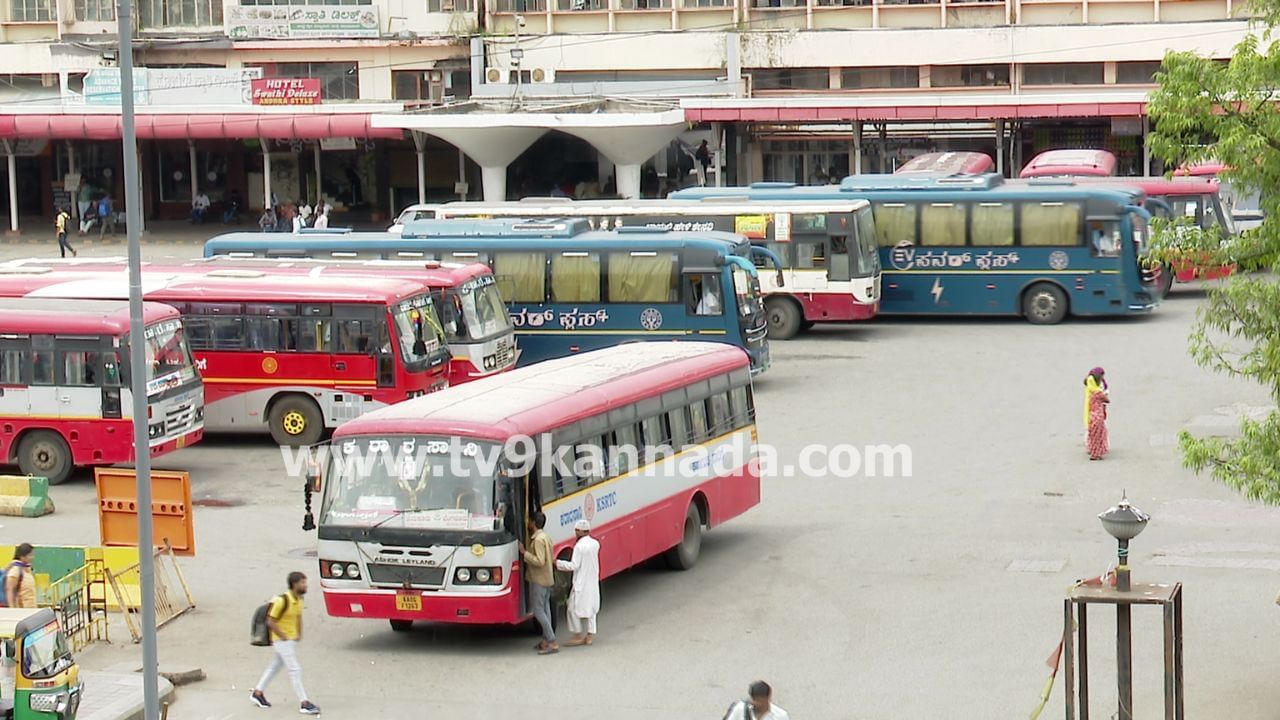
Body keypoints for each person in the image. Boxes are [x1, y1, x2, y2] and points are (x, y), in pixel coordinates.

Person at [250, 571, 320, 715]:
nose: (305, 585)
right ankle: (304, 702)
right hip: (281, 641)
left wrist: (299, 633)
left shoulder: (299, 599)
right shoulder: (283, 600)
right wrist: (283, 635)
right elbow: (270, 620)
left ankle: (258, 693)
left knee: (274, 667)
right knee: (295, 669)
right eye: (302, 583)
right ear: (294, 584)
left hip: (290, 640)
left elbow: (298, 616)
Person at [555, 519, 600, 647]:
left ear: (580, 531)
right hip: (592, 580)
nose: (575, 533)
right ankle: (590, 635)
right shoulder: (595, 544)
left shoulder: (579, 547)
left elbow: (574, 565)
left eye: (576, 530)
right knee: (591, 608)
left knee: (571, 608)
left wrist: (558, 563)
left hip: (581, 582)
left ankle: (577, 634)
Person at [520, 511, 558, 654]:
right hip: (547, 579)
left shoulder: (537, 540)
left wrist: (525, 553)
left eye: (529, 521)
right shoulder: (545, 537)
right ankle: (546, 639)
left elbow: (539, 561)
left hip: (539, 580)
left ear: (533, 523)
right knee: (545, 609)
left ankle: (552, 641)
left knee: (538, 611)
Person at [723, 681, 790, 720]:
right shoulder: (741, 708)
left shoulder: (780, 716)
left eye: (759, 700)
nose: (755, 703)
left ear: (767, 698)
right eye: (753, 699)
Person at [1084, 367, 1110, 461]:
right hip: (1099, 416)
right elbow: (1107, 400)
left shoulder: (1091, 391)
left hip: (1091, 415)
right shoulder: (1098, 393)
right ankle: (1097, 453)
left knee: (1092, 434)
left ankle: (1092, 450)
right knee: (1099, 434)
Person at [4, 544, 36, 609]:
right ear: (22, 556)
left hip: (30, 609)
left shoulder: (27, 569)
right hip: (21, 610)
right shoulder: (15, 571)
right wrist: (12, 609)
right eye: (30, 555)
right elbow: (9, 590)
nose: (32, 557)